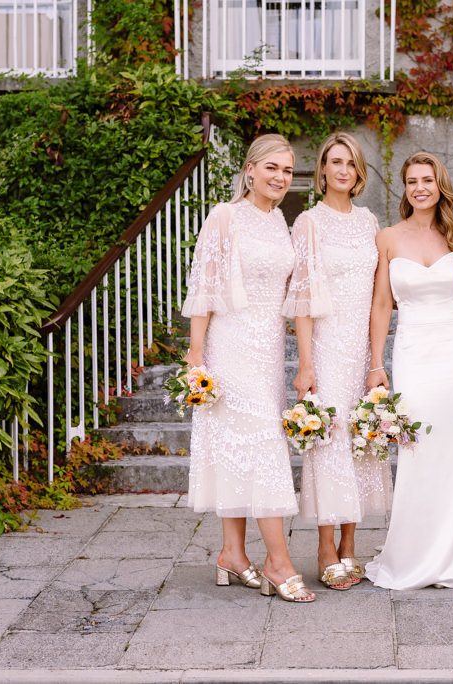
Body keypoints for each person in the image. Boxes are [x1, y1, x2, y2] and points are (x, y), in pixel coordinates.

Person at [181, 134, 315, 603]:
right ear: (250, 170)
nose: (280, 178)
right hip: (230, 344)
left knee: (243, 447)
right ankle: (278, 562)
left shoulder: (281, 220)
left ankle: (232, 555)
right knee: (263, 446)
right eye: (272, 168)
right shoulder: (225, 217)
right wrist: (196, 353)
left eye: (287, 171)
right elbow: (205, 285)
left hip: (267, 348)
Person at [363, 151, 453, 590]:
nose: (420, 187)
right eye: (412, 180)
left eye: (428, 180)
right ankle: (416, 551)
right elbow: (382, 304)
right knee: (418, 448)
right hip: (413, 351)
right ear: (405, 188)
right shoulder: (387, 238)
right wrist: (375, 363)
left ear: (440, 186)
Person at [283, 132, 392, 591]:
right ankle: (326, 547)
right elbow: (303, 301)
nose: (343, 170)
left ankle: (352, 545)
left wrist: (376, 358)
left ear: (358, 170)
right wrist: (305, 365)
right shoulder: (308, 222)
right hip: (326, 347)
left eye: (351, 162)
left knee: (361, 442)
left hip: (361, 348)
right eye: (335, 162)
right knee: (328, 445)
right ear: (322, 170)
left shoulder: (370, 223)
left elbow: (377, 299)